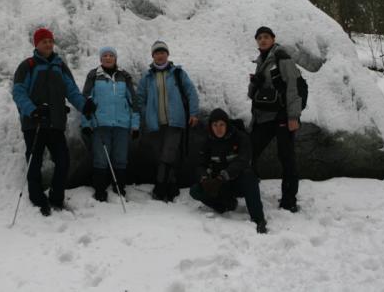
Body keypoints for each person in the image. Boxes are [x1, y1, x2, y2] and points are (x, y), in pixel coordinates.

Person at [12, 27, 97, 216]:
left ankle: (56, 197)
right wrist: (33, 110)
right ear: (37, 44)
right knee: (34, 162)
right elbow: (18, 92)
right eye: (44, 42)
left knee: (63, 161)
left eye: (50, 41)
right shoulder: (28, 65)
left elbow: (72, 91)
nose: (48, 44)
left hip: (56, 123)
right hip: (34, 123)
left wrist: (84, 106)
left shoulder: (60, 66)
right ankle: (37, 198)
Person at [137, 40, 200, 202]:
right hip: (155, 124)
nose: (160, 55)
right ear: (153, 56)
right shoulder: (147, 77)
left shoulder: (178, 73)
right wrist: (147, 114)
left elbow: (191, 92)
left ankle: (160, 187)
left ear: (167, 54)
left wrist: (193, 113)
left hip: (175, 122)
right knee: (161, 156)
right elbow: (140, 99)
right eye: (157, 53)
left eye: (162, 52)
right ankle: (171, 185)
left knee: (168, 154)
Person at [248, 26, 301, 212]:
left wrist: (293, 116)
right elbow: (254, 94)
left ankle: (289, 200)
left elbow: (293, 87)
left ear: (273, 39)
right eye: (259, 38)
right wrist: (255, 83)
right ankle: (249, 187)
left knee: (286, 157)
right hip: (264, 117)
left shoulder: (282, 58)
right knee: (250, 151)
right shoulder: (261, 60)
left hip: (283, 115)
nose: (262, 40)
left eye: (266, 37)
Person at [189, 109, 267, 234]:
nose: (218, 129)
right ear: (210, 126)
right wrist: (204, 179)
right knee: (195, 190)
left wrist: (224, 175)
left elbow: (243, 160)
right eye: (215, 125)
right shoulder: (207, 141)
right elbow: (200, 164)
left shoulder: (240, 137)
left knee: (250, 176)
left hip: (237, 181)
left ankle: (258, 219)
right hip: (218, 184)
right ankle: (225, 205)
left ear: (227, 124)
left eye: (221, 124)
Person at [81, 46, 140, 202]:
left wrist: (135, 125)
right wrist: (86, 124)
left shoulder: (124, 76)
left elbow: (133, 101)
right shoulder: (93, 75)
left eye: (111, 55)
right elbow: (85, 100)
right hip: (101, 123)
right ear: (101, 59)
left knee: (121, 157)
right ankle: (100, 189)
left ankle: (119, 187)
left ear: (115, 58)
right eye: (105, 55)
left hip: (122, 124)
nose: (108, 58)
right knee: (101, 157)